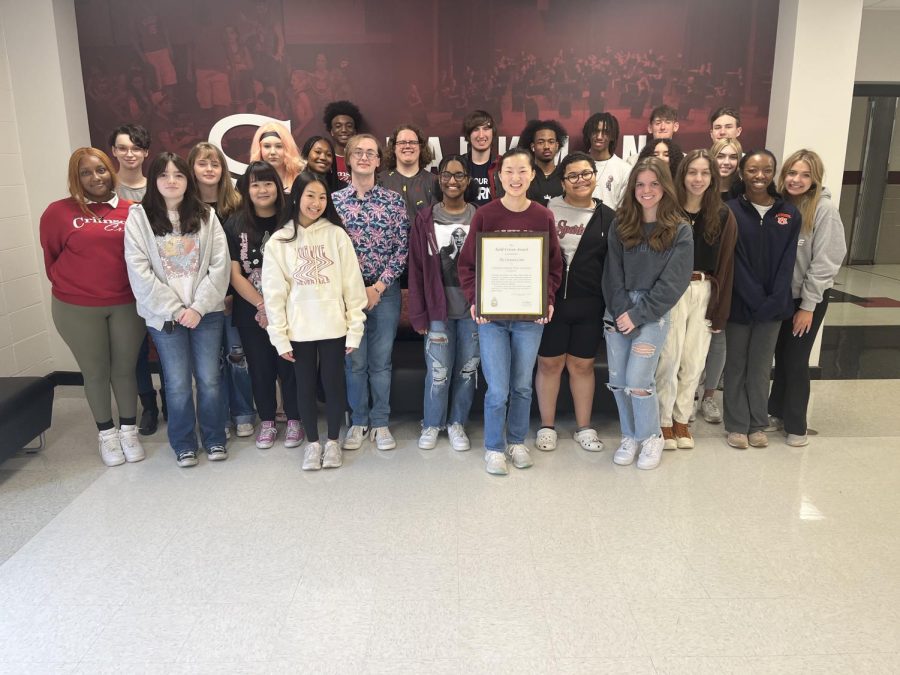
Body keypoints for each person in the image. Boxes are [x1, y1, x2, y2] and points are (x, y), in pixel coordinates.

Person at [458, 147, 563, 475]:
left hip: (530, 318)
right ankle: (494, 447)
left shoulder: (542, 216)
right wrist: (476, 300)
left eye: (522, 171)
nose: (516, 178)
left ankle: (517, 441)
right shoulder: (485, 215)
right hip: (493, 318)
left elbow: (554, 265)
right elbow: (467, 265)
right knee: (499, 388)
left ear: (532, 175)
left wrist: (547, 298)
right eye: (509, 171)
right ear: (499, 176)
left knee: (521, 385)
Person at [40, 148, 147, 467]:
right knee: (96, 372)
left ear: (110, 171)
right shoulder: (58, 212)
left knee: (124, 370)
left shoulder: (133, 211)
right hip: (77, 307)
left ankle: (129, 430)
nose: (95, 177)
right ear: (76, 177)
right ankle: (107, 435)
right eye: (86, 172)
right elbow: (52, 256)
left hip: (126, 303)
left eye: (100, 170)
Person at [124, 152, 231, 467]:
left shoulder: (206, 216)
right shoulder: (139, 218)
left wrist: (197, 308)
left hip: (206, 314)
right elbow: (139, 271)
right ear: (154, 180)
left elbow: (219, 266)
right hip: (164, 318)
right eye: (164, 175)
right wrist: (176, 309)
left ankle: (213, 438)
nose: (171, 181)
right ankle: (184, 443)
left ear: (188, 180)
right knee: (177, 382)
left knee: (210, 378)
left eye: (179, 175)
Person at [262, 172, 367, 470]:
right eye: (310, 195)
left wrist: (354, 329)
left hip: (334, 327)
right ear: (296, 196)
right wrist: (279, 337)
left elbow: (353, 287)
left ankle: (333, 442)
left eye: (323, 197)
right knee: (304, 387)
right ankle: (312, 443)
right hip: (299, 329)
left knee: (334, 385)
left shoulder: (336, 235)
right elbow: (274, 294)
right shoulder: (280, 241)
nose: (317, 203)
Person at [601, 157, 693, 470]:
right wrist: (621, 311)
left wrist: (638, 315)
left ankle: (651, 436)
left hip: (653, 313)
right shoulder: (621, 223)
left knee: (639, 380)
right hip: (617, 309)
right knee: (617, 380)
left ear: (665, 186)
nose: (647, 190)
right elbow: (611, 273)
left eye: (654, 183)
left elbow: (673, 283)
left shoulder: (679, 229)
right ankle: (630, 435)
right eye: (640, 184)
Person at [656, 149, 737, 450]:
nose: (698, 178)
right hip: (672, 290)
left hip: (705, 290)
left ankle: (682, 420)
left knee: (694, 361)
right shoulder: (668, 210)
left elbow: (727, 265)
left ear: (713, 178)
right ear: (682, 176)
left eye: (705, 173)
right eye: (692, 172)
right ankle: (664, 422)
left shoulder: (722, 214)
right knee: (668, 358)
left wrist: (720, 311)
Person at [534, 151, 615, 452]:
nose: (580, 180)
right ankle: (546, 426)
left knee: (582, 365)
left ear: (595, 176)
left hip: (589, 305)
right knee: (549, 363)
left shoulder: (609, 217)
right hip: (552, 303)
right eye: (573, 176)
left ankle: (584, 427)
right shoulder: (546, 211)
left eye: (586, 173)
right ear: (563, 181)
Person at [333, 134, 409, 451]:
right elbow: (328, 252)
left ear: (379, 161)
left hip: (384, 293)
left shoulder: (393, 202)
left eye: (371, 153)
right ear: (348, 160)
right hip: (346, 297)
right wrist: (355, 291)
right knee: (355, 363)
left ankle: (380, 422)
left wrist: (378, 287)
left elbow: (402, 249)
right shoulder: (333, 202)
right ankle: (358, 421)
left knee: (380, 362)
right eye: (358, 153)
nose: (364, 157)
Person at [767, 149, 847, 446]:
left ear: (814, 179)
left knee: (797, 359)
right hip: (781, 298)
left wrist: (808, 305)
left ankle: (796, 424)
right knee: (780, 356)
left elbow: (827, 261)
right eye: (791, 173)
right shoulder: (779, 206)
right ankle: (775, 411)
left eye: (804, 174)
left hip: (807, 299)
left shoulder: (824, 211)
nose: (796, 179)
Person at [723, 150, 801, 450]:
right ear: (742, 172)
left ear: (774, 173)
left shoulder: (789, 213)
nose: (759, 176)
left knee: (759, 367)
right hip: (740, 304)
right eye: (753, 170)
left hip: (774, 306)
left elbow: (788, 262)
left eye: (766, 170)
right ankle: (736, 425)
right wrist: (755, 298)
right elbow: (734, 260)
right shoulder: (730, 210)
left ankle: (757, 423)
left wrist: (772, 301)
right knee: (736, 365)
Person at [223, 161, 304, 450]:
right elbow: (234, 273)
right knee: (260, 367)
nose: (262, 189)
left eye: (268, 183)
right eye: (255, 184)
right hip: (251, 311)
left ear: (277, 187)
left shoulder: (292, 220)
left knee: (290, 365)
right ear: (246, 188)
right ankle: (267, 421)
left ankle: (295, 418)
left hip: (292, 309)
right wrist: (262, 305)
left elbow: (301, 266)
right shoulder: (234, 223)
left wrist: (278, 308)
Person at [407, 155, 480, 452]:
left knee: (466, 371)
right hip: (438, 312)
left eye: (459, 175)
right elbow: (416, 270)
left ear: (467, 180)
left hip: (474, 312)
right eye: (447, 175)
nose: (452, 181)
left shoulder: (480, 217)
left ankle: (456, 423)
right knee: (439, 373)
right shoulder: (425, 220)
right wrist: (419, 314)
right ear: (439, 179)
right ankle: (432, 423)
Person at [188, 142, 256, 440]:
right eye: (203, 164)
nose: (209, 169)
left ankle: (243, 413)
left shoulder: (238, 203)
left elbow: (240, 252)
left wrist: (230, 292)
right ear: (192, 169)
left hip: (233, 295)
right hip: (198, 298)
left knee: (237, 357)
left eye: (215, 164)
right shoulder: (184, 205)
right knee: (209, 364)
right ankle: (219, 418)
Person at [109, 123, 162, 435]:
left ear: (146, 152)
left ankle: (171, 399)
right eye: (123, 147)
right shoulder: (106, 190)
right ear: (114, 151)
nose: (129, 154)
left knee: (167, 346)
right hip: (123, 285)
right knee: (135, 350)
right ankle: (149, 405)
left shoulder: (156, 188)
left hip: (162, 282)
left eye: (136, 148)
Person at [698, 136, 744, 424]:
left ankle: (709, 396)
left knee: (719, 336)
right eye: (721, 156)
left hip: (734, 274)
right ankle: (690, 393)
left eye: (733, 157)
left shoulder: (744, 194)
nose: (726, 162)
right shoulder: (699, 194)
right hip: (704, 276)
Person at [378, 123, 439, 225]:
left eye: (412, 142)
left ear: (421, 147)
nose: (407, 146)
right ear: (394, 148)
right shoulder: (380, 181)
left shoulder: (434, 182)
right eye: (402, 142)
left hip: (424, 240)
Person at [583, 112, 630, 208]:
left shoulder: (624, 169)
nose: (599, 136)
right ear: (588, 134)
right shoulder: (576, 166)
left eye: (605, 132)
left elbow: (624, 210)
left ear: (612, 136)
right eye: (595, 131)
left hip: (611, 222)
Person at [517, 119, 568, 206]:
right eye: (541, 142)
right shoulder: (524, 175)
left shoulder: (565, 175)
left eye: (551, 142)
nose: (546, 146)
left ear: (557, 145)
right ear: (533, 146)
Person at [248, 121, 304, 192]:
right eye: (267, 146)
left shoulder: (302, 182)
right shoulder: (246, 182)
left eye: (279, 146)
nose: (273, 152)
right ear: (259, 149)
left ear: (288, 149)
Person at [462, 109, 499, 206]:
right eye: (475, 129)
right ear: (468, 135)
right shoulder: (459, 165)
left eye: (486, 129)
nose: (481, 135)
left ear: (492, 133)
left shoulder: (503, 165)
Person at [323, 99, 363, 184]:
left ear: (355, 131)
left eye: (349, 126)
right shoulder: (325, 159)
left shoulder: (363, 159)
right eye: (338, 126)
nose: (344, 130)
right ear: (332, 132)